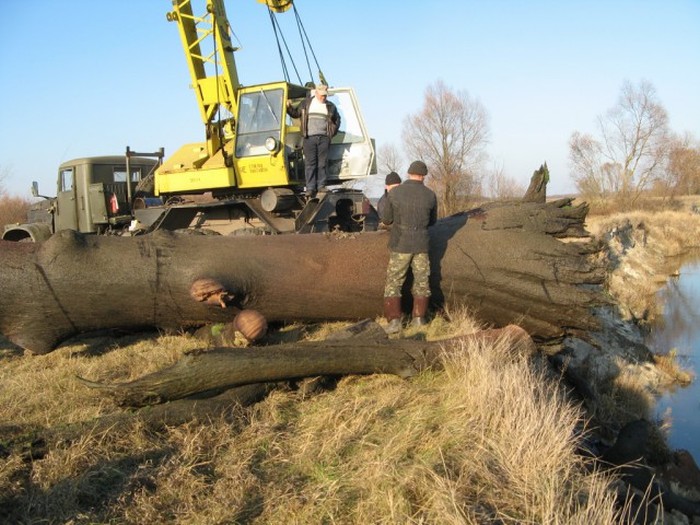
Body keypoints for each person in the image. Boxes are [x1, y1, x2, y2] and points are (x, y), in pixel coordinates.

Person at [381, 160, 438, 334]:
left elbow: (387, 219)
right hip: (421, 244)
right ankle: (419, 319)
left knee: (394, 282)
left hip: (400, 244)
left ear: (409, 173)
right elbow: (433, 221)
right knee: (422, 281)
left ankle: (394, 322)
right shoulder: (430, 195)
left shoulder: (395, 193)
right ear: (423, 176)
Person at [286, 83, 341, 199]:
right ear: (316, 93)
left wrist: (331, 132)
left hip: (324, 139)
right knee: (310, 164)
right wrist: (288, 108)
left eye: (325, 95)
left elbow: (337, 119)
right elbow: (295, 114)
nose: (323, 97)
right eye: (321, 95)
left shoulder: (330, 106)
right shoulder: (306, 103)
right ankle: (310, 188)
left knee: (322, 163)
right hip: (309, 138)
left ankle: (321, 186)